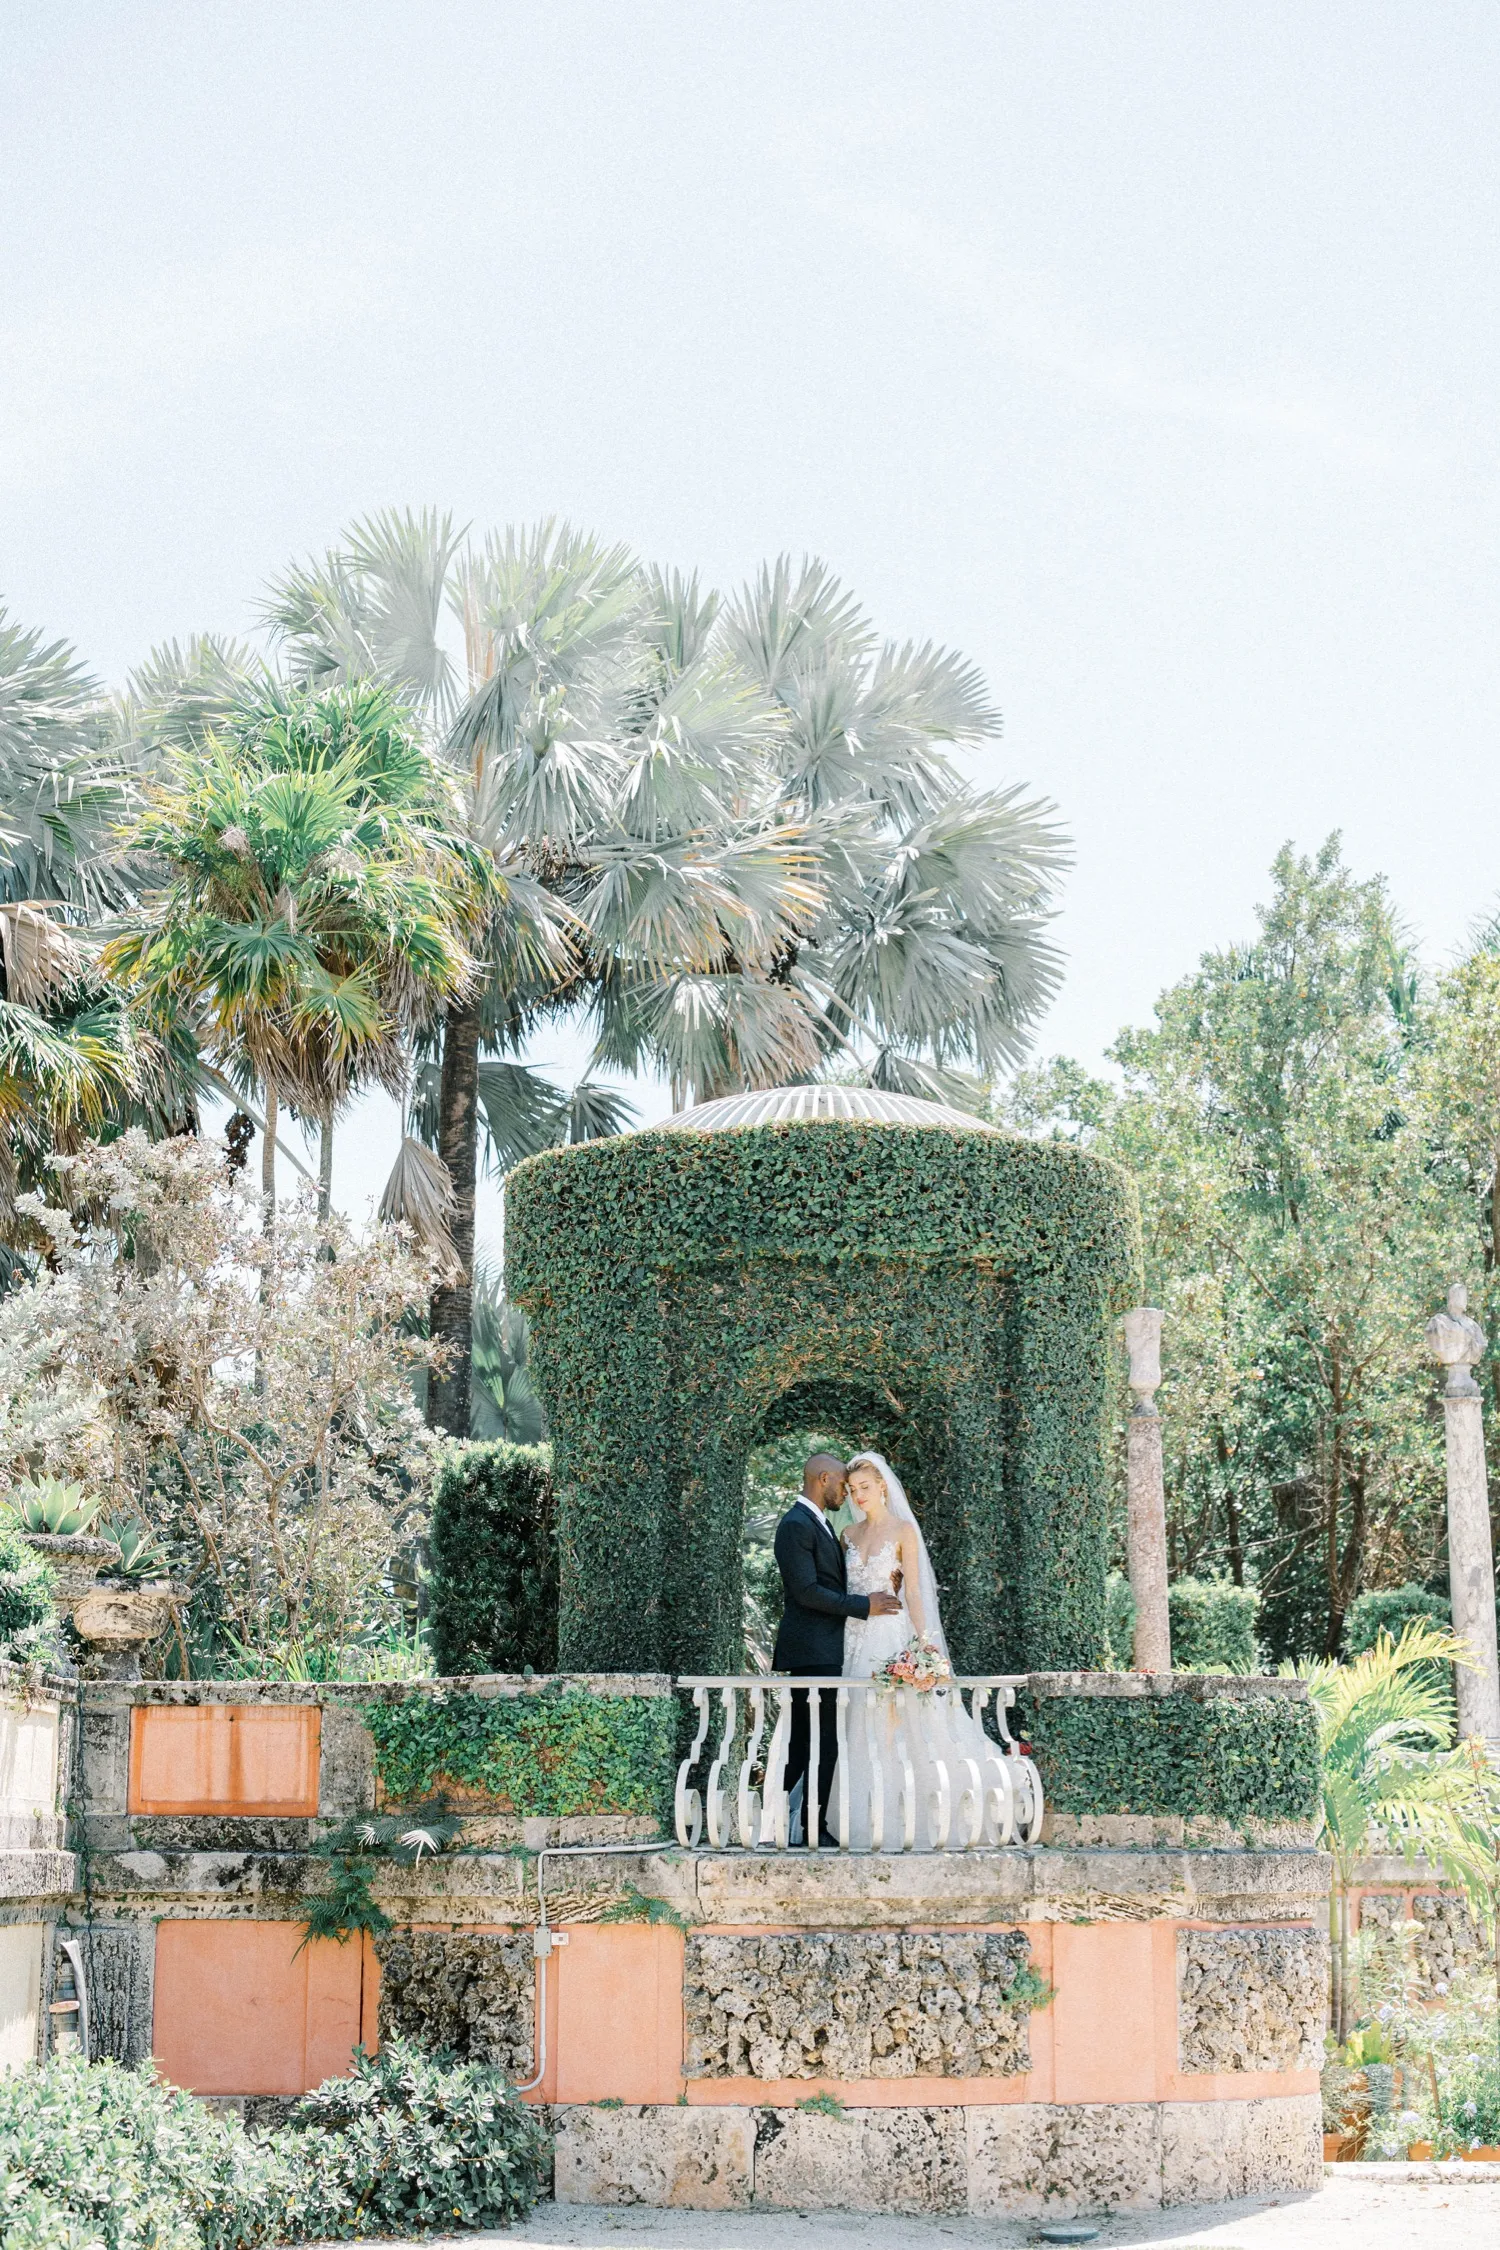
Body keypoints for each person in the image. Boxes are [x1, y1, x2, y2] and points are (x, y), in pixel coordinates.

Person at [840, 1448, 1012, 1849]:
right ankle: (857, 1816)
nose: (858, 1496)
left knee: (897, 1723)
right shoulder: (848, 1535)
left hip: (890, 1635)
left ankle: (903, 1815)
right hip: (853, 1638)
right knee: (855, 1725)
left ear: (883, 1486)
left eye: (865, 1487)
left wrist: (925, 1645)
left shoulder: (903, 1531)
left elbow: (914, 1589)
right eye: (852, 1490)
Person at [772, 1451, 900, 1846]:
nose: (846, 1494)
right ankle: (799, 1826)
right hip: (812, 1651)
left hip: (830, 1648)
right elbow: (806, 1591)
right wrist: (865, 1605)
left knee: (817, 1740)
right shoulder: (795, 1524)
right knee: (813, 1742)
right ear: (824, 1479)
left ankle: (794, 1824)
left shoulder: (820, 1523)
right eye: (843, 1486)